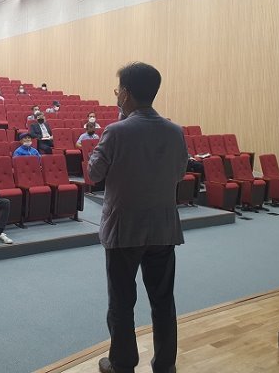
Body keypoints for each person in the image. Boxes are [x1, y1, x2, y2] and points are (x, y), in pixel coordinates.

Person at [88, 62, 188, 373]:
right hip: (163, 229)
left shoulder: (115, 131)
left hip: (124, 231)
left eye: (118, 90)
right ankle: (165, 365)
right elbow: (179, 174)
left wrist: (120, 124)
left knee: (122, 301)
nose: (116, 95)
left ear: (126, 94)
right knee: (163, 300)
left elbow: (93, 173)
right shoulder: (175, 131)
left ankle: (123, 363)